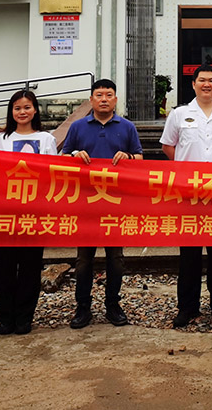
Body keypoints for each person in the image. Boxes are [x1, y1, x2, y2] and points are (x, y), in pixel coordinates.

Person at [160, 65, 212, 328]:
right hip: (189, 195)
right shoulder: (179, 114)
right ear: (193, 84)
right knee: (189, 255)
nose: (207, 84)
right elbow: (168, 146)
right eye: (202, 80)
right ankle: (187, 307)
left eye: (211, 80)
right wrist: (188, 172)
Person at [61, 78, 142, 329]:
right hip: (85, 203)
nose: (104, 99)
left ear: (115, 99)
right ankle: (82, 307)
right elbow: (63, 157)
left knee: (115, 258)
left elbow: (140, 158)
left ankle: (113, 304)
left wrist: (128, 157)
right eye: (99, 95)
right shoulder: (77, 127)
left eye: (108, 95)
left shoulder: (127, 127)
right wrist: (75, 155)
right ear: (91, 100)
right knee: (84, 259)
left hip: (115, 203)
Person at [0, 89, 58, 335]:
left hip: (35, 212)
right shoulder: (1, 139)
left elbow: (53, 172)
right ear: (11, 112)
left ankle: (24, 317)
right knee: (4, 267)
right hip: (6, 211)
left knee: (30, 266)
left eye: (27, 107)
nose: (22, 112)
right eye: (17, 108)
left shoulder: (46, 139)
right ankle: (5, 318)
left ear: (35, 110)